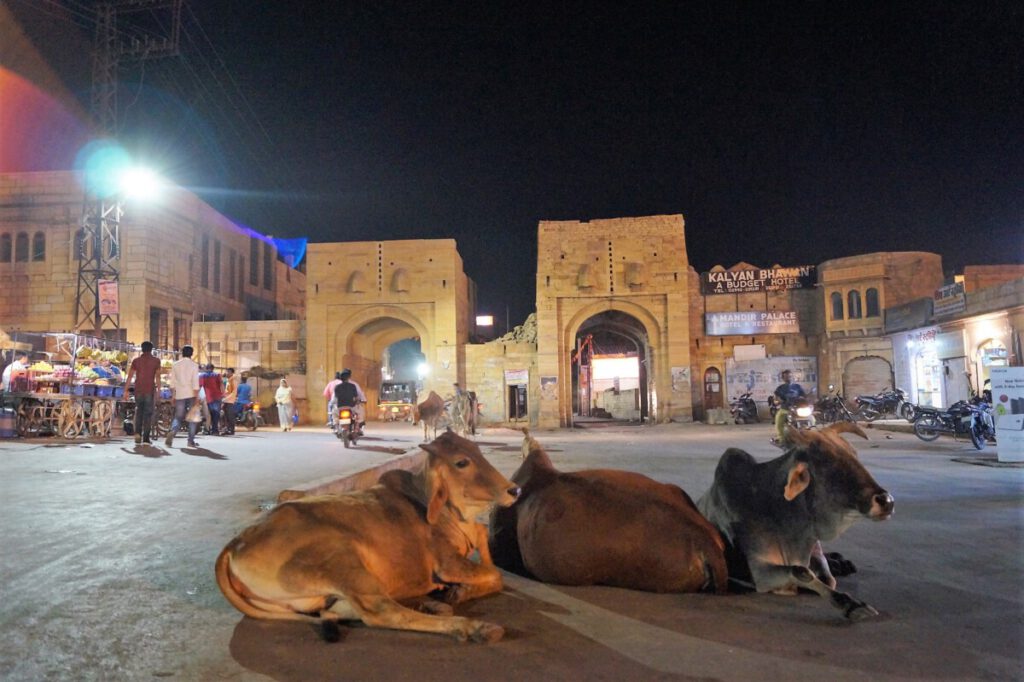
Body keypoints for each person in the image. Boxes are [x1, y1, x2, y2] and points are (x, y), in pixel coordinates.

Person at [123, 341, 161, 444]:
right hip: (149, 389)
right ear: (151, 349)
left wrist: (125, 390)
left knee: (139, 412)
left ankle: (137, 435)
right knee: (148, 414)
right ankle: (146, 438)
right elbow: (157, 377)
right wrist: (159, 391)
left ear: (142, 349)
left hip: (138, 390)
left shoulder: (136, 361)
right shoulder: (156, 361)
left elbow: (130, 376)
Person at [164, 345, 201, 448]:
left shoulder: (175, 365)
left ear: (182, 353)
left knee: (178, 417)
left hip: (180, 394)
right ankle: (190, 441)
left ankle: (173, 431)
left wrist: (173, 396)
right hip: (191, 394)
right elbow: (195, 383)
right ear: (192, 354)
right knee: (192, 418)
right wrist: (197, 397)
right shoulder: (194, 365)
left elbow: (172, 383)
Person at [773, 369, 807, 444]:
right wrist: (778, 400)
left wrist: (808, 400)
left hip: (798, 409)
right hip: (785, 408)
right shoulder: (780, 388)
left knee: (811, 418)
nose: (789, 378)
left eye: (790, 376)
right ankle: (781, 438)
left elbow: (804, 395)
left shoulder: (797, 386)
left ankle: (809, 435)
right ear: (783, 378)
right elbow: (776, 397)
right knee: (778, 420)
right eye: (786, 376)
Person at [332, 369, 366, 434]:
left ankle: (336, 427)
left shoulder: (337, 387)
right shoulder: (353, 386)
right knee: (360, 413)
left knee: (334, 414)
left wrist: (334, 404)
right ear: (349, 377)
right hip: (351, 407)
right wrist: (359, 401)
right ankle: (357, 427)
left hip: (340, 407)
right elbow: (356, 397)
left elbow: (335, 398)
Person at [199, 363, 224, 435]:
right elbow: (221, 384)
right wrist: (223, 394)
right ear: (213, 368)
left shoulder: (202, 376)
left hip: (208, 397)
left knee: (209, 414)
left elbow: (200, 386)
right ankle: (215, 430)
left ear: (206, 368)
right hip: (217, 397)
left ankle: (208, 429)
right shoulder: (217, 375)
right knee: (216, 414)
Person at [221, 368, 237, 435]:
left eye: (228, 372)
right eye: (226, 372)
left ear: (231, 373)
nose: (226, 373)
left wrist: (225, 399)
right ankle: (227, 429)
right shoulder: (228, 380)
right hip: (226, 400)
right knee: (226, 416)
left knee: (230, 416)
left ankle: (231, 430)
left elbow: (234, 392)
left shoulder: (233, 380)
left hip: (230, 401)